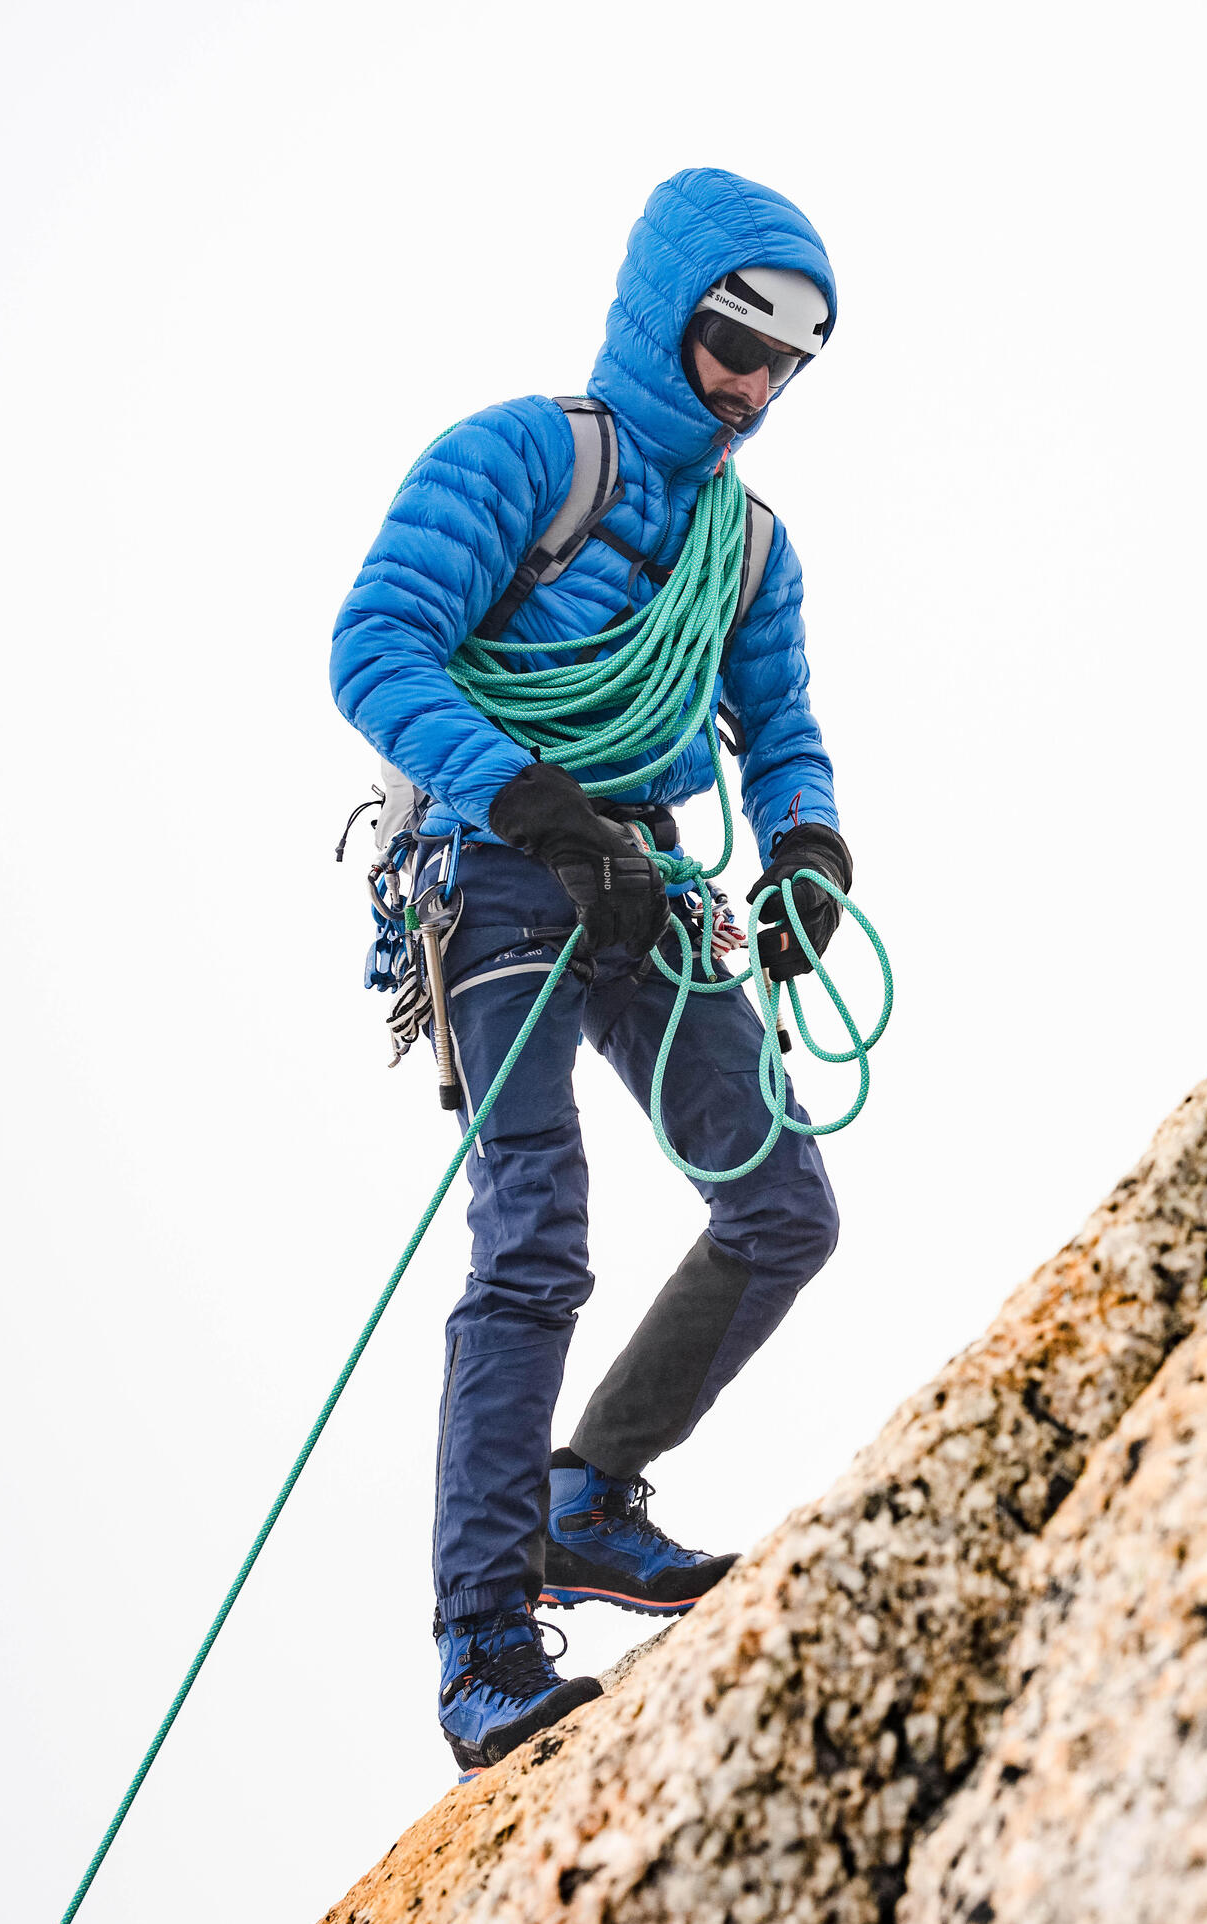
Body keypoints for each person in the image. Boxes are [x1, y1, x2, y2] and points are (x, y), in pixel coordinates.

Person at [328, 169, 854, 1776]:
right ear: (664, 312)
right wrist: (543, 810)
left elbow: (781, 728)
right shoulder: (523, 458)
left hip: (641, 872)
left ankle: (585, 1495)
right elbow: (375, 644)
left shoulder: (750, 548)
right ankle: (484, 1648)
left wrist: (810, 848)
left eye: (786, 363)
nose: (755, 387)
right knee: (535, 1228)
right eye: (731, 343)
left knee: (784, 1211)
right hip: (495, 869)